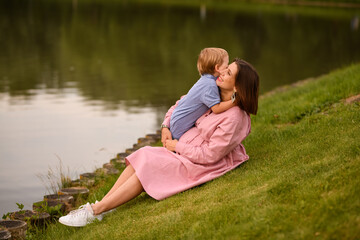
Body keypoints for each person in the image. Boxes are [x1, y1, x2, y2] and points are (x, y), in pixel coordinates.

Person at [59, 58, 259, 227]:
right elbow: (180, 104)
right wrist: (165, 126)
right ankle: (102, 206)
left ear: (237, 86)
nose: (221, 71)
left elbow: (211, 155)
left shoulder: (234, 118)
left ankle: (94, 212)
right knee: (143, 154)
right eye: (226, 67)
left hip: (198, 163)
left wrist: (176, 146)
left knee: (150, 168)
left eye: (228, 72)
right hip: (182, 152)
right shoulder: (211, 93)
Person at [167, 47, 235, 140]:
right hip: (180, 128)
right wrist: (234, 101)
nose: (227, 69)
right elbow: (216, 108)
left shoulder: (206, 79)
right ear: (217, 68)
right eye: (226, 67)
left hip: (177, 121)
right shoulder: (209, 85)